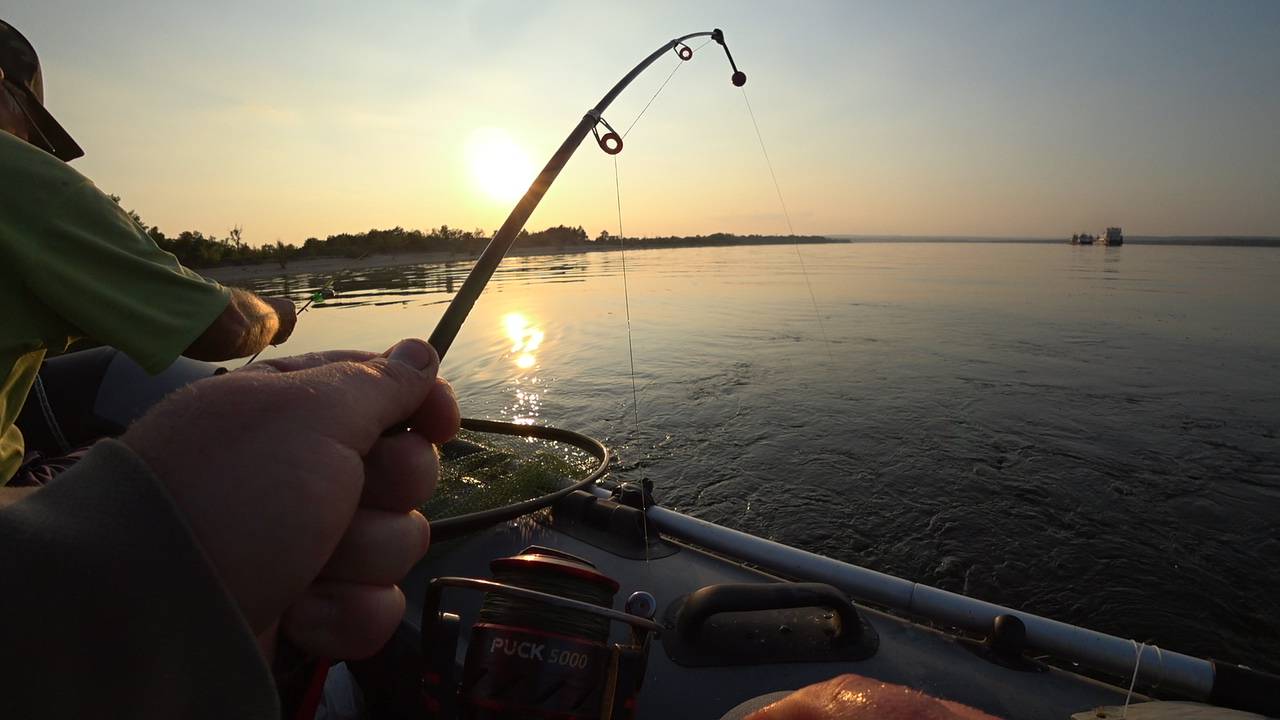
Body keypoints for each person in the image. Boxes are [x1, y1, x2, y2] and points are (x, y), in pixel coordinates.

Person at [0, 18, 298, 485]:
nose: (34, 146)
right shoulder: (26, 181)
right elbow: (223, 329)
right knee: (167, 449)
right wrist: (275, 316)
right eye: (32, 126)